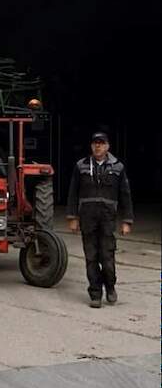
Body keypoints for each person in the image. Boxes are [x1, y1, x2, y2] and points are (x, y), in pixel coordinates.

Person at [66, 132, 134, 308]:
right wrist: (72, 217)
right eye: (95, 143)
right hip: (87, 219)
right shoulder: (81, 166)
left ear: (107, 146)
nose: (98, 146)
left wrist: (127, 221)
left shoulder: (118, 167)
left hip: (107, 219)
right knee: (91, 258)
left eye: (101, 143)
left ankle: (110, 287)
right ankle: (95, 294)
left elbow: (125, 195)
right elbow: (73, 193)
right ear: (91, 146)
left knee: (107, 257)